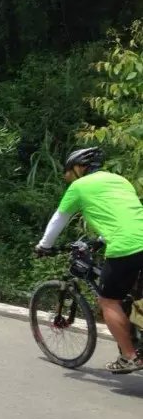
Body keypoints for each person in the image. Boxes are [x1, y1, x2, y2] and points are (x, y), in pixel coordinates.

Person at [36, 147, 143, 373]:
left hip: (127, 247)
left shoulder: (79, 186)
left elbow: (59, 218)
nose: (67, 176)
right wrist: (101, 239)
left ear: (79, 167)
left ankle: (130, 357)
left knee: (109, 301)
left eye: (68, 171)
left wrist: (44, 246)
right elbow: (124, 215)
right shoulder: (121, 180)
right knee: (136, 297)